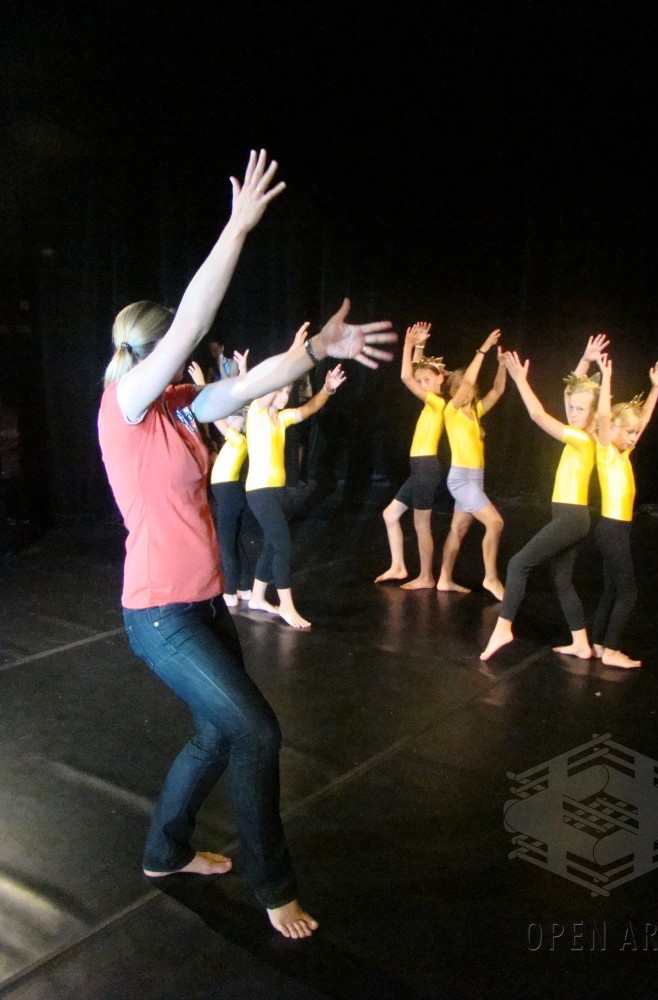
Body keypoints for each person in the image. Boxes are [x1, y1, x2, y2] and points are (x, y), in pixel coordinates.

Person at [97, 149, 396, 939]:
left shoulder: (182, 404)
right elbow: (193, 324)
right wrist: (235, 229)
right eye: (177, 347)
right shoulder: (126, 405)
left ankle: (165, 851)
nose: (193, 356)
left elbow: (251, 383)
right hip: (159, 615)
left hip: (204, 604)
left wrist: (314, 353)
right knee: (257, 732)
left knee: (216, 733)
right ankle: (273, 885)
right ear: (154, 350)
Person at [480, 334, 607, 662]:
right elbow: (569, 392)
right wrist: (585, 359)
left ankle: (503, 629)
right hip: (570, 516)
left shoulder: (583, 439)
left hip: (572, 517)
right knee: (562, 580)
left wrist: (520, 380)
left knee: (517, 564)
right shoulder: (580, 432)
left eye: (580, 409)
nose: (573, 412)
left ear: (594, 414)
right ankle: (581, 643)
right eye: (572, 407)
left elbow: (537, 416)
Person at [245, 324, 347, 629]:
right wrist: (294, 352)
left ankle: (256, 597)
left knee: (272, 544)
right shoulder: (257, 414)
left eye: (288, 391)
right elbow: (276, 380)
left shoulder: (282, 419)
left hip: (277, 492)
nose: (286, 394)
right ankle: (287, 606)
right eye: (282, 390)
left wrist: (327, 389)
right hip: (259, 492)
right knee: (283, 545)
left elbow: (311, 407)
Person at [591, 354, 658, 668]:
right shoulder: (606, 452)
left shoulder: (623, 455)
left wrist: (656, 388)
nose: (634, 437)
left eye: (636, 434)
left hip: (616, 528)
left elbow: (644, 417)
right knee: (628, 592)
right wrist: (606, 377)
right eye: (629, 432)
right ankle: (611, 651)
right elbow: (604, 416)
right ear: (612, 430)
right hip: (611, 528)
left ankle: (599, 643)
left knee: (612, 589)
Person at [375, 321, 447, 589]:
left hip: (426, 468)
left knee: (421, 522)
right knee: (390, 515)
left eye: (428, 380)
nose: (423, 385)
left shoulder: (438, 402)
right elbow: (414, 374)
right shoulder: (430, 404)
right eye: (421, 382)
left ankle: (426, 576)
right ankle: (398, 566)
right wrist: (420, 346)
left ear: (441, 379)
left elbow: (407, 377)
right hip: (419, 469)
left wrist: (407, 346)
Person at [436, 329, 506, 600]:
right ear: (454, 391)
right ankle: (491, 578)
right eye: (464, 387)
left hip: (476, 478)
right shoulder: (451, 412)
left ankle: (444, 580)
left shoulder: (475, 412)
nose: (470, 390)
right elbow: (467, 382)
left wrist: (501, 366)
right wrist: (483, 349)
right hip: (461, 479)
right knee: (495, 523)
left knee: (459, 528)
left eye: (472, 387)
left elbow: (498, 390)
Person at [188, 354, 257, 609]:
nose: (229, 418)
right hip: (231, 495)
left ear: (241, 423)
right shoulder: (236, 442)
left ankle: (229, 591)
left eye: (234, 417)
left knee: (226, 544)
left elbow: (215, 415)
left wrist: (202, 384)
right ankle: (245, 587)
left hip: (229, 496)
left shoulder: (239, 439)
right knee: (235, 542)